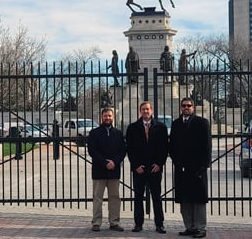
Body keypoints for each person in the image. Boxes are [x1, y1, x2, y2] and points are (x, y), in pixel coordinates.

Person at [169, 97, 211, 238]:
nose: (186, 108)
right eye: (184, 105)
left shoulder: (202, 123)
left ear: (193, 107)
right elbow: (172, 146)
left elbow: (207, 146)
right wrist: (177, 162)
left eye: (189, 105)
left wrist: (204, 165)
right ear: (180, 107)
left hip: (197, 167)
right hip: (181, 167)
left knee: (198, 199)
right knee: (184, 198)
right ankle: (190, 226)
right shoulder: (175, 124)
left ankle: (200, 227)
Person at [125, 101, 169, 234]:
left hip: (155, 168)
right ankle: (138, 224)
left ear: (152, 110)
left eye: (148, 109)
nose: (145, 111)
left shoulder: (161, 127)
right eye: (143, 109)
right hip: (140, 168)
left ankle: (159, 224)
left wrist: (160, 163)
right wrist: (135, 165)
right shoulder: (133, 127)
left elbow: (164, 148)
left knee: (157, 197)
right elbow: (130, 148)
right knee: (138, 196)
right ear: (140, 111)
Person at [87, 108, 126, 232]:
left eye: (109, 116)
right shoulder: (94, 133)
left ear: (113, 117)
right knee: (97, 198)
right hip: (99, 169)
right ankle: (96, 222)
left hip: (114, 169)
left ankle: (114, 222)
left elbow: (123, 151)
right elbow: (92, 151)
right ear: (101, 117)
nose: (107, 118)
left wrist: (114, 162)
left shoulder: (118, 133)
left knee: (115, 197)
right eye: (105, 116)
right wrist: (105, 163)